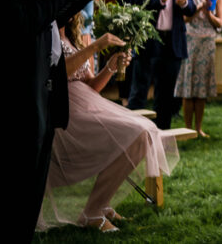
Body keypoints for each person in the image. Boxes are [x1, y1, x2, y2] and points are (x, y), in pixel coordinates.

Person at [0, 0, 115, 239]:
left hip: (39, 104)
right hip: (11, 109)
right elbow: (19, 25)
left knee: (24, 210)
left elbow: (44, 20)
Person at [42, 16, 178, 232]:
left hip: (89, 105)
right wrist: (95, 46)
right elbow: (55, 76)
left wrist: (110, 67)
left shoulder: (70, 37)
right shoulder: (45, 33)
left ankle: (99, 205)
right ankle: (92, 213)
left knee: (143, 133)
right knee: (136, 132)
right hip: (66, 115)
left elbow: (92, 85)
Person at [128, 0, 195, 129]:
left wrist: (184, 4)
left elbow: (191, 8)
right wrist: (160, 0)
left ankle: (162, 136)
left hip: (173, 43)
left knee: (165, 95)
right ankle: (132, 134)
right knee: (139, 92)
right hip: (149, 42)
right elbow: (135, 7)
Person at [175, 0, 222, 137]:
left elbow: (219, 23)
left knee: (202, 89)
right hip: (191, 42)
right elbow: (185, 18)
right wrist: (198, 8)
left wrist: (209, 12)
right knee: (189, 88)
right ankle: (188, 128)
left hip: (208, 43)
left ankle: (199, 128)